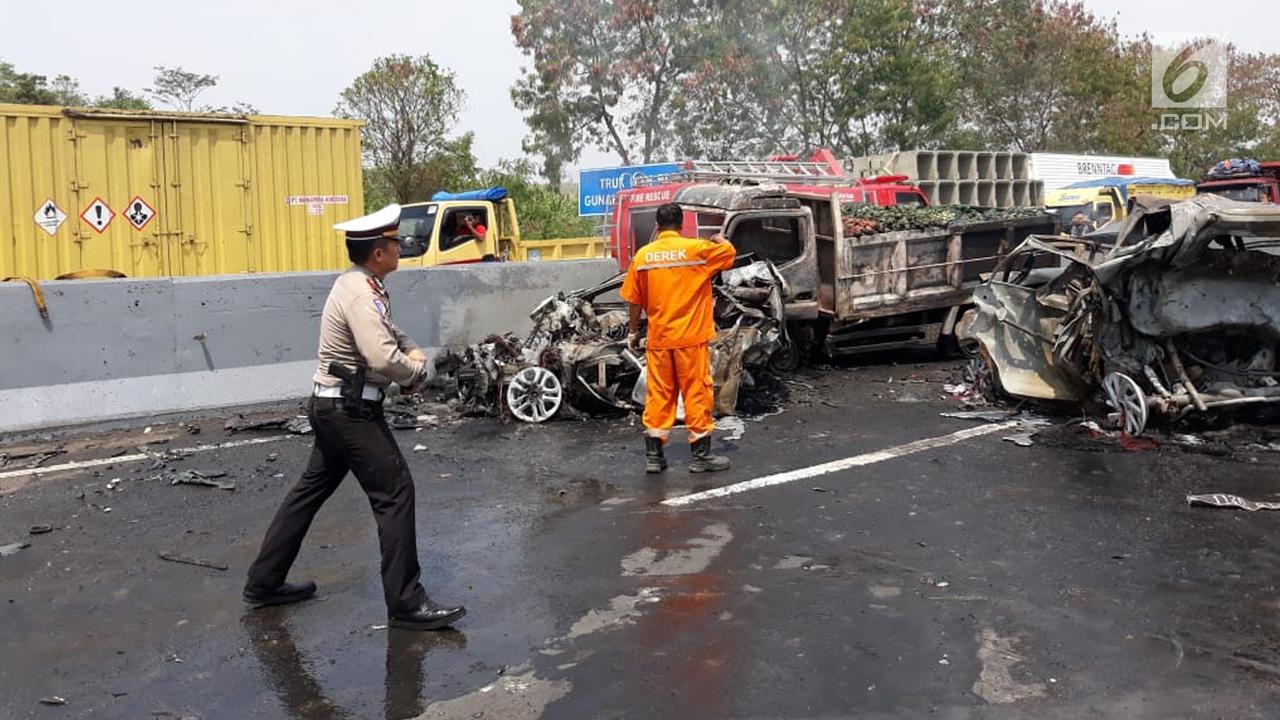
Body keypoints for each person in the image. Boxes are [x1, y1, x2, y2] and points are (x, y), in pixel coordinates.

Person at [242, 203, 466, 632]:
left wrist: (410, 351)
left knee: (309, 492)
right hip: (350, 412)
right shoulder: (362, 293)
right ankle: (406, 603)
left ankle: (264, 582)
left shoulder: (360, 285)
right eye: (395, 242)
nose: (401, 246)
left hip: (333, 406)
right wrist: (415, 373)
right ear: (378, 253)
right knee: (395, 492)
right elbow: (381, 355)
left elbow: (391, 334)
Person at [620, 202, 737, 474]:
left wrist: (633, 332)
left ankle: (654, 457)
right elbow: (729, 254)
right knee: (696, 393)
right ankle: (701, 456)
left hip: (659, 340)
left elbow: (634, 301)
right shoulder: (696, 250)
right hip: (690, 340)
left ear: (657, 225)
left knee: (659, 395)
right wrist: (719, 239)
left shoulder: (643, 256)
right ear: (681, 225)